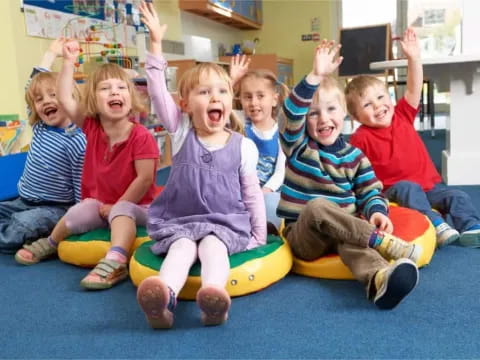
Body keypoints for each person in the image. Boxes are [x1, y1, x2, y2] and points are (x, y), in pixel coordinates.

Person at [137, 0, 266, 328]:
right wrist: (154, 45)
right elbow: (157, 93)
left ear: (230, 101)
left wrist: (258, 235)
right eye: (204, 93)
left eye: (222, 92)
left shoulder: (244, 147)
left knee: (213, 248)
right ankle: (163, 300)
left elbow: (252, 194)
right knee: (181, 249)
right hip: (181, 220)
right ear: (184, 105)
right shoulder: (180, 131)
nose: (215, 98)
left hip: (223, 223)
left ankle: (213, 298)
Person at [278, 39, 422, 310]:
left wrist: (377, 211)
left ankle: (379, 280)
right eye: (313, 114)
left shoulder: (355, 156)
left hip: (344, 230)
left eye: (331, 109)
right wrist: (315, 76)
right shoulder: (298, 148)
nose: (323, 119)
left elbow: (370, 191)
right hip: (305, 236)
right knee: (318, 206)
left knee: (354, 244)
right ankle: (381, 242)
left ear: (345, 113)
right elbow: (291, 113)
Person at [14, 39, 159, 290]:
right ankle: (51, 242)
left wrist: (117, 205)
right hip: (101, 205)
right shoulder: (91, 127)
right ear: (93, 100)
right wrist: (68, 62)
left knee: (121, 211)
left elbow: (144, 179)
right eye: (105, 89)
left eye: (120, 88)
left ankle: (116, 260)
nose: (114, 92)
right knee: (80, 209)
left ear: (130, 96)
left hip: (138, 205)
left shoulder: (141, 136)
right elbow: (64, 97)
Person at [347, 27, 480, 248]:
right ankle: (435, 223)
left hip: (430, 186)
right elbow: (353, 170)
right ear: (355, 116)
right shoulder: (360, 138)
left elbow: (413, 87)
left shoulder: (402, 114)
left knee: (458, 196)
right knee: (409, 189)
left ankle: (471, 227)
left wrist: (414, 58)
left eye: (381, 97)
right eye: (368, 105)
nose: (378, 105)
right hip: (395, 191)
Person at [0, 37, 86, 254]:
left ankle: (15, 230)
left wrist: (76, 221)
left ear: (69, 99)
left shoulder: (76, 139)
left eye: (54, 95)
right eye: (40, 100)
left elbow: (80, 184)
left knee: (21, 228)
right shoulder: (40, 125)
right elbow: (31, 87)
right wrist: (50, 54)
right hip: (22, 200)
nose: (46, 101)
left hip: (53, 208)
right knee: (16, 217)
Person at [229, 55, 289, 231]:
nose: (254, 103)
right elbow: (220, 102)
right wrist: (232, 80)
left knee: (273, 205)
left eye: (260, 96)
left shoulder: (282, 131)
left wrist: (262, 194)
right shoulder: (239, 122)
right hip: (240, 192)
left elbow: (279, 173)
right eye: (247, 97)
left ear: (274, 99)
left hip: (267, 193)